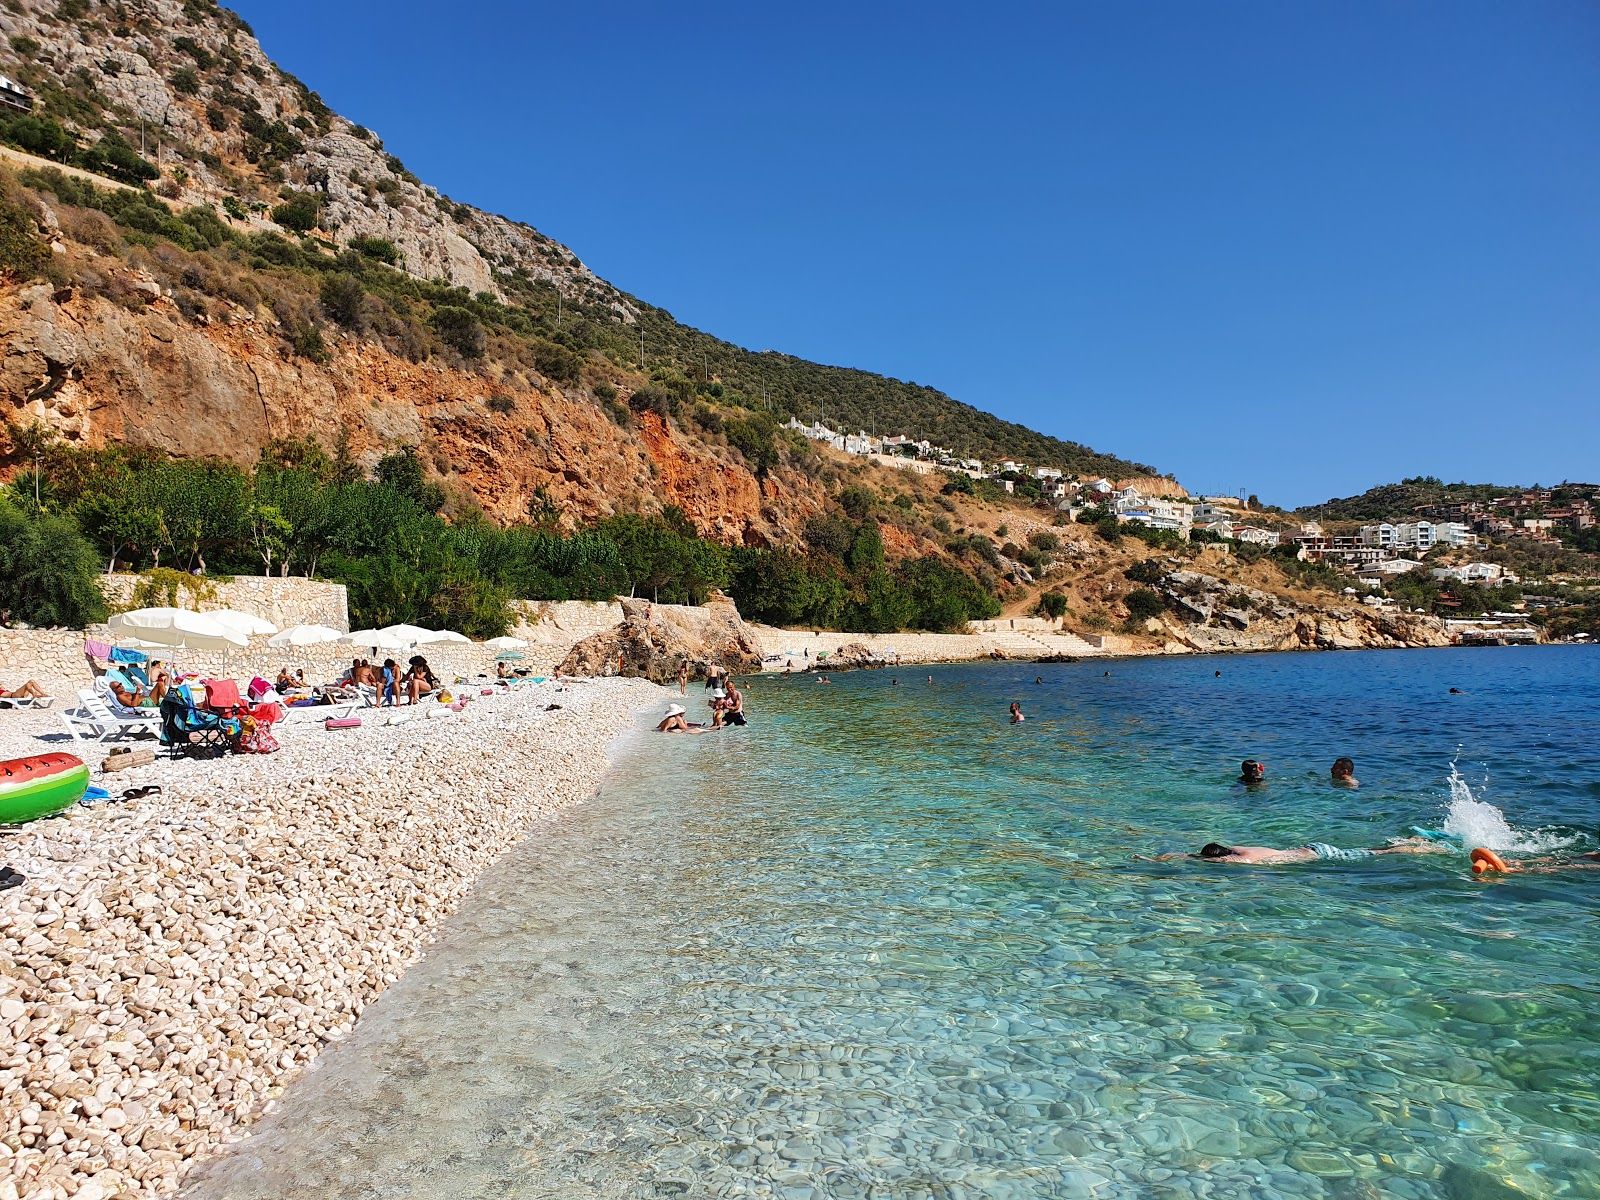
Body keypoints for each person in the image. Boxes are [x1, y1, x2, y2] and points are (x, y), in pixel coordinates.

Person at [1149, 838, 1447, 866]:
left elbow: (1205, 862)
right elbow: (1210, 855)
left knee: (1378, 855)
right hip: (1313, 846)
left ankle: (1422, 850)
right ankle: (1410, 843)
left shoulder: (1245, 862)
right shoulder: (1244, 849)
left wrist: (1160, 859)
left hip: (1322, 857)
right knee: (1372, 850)